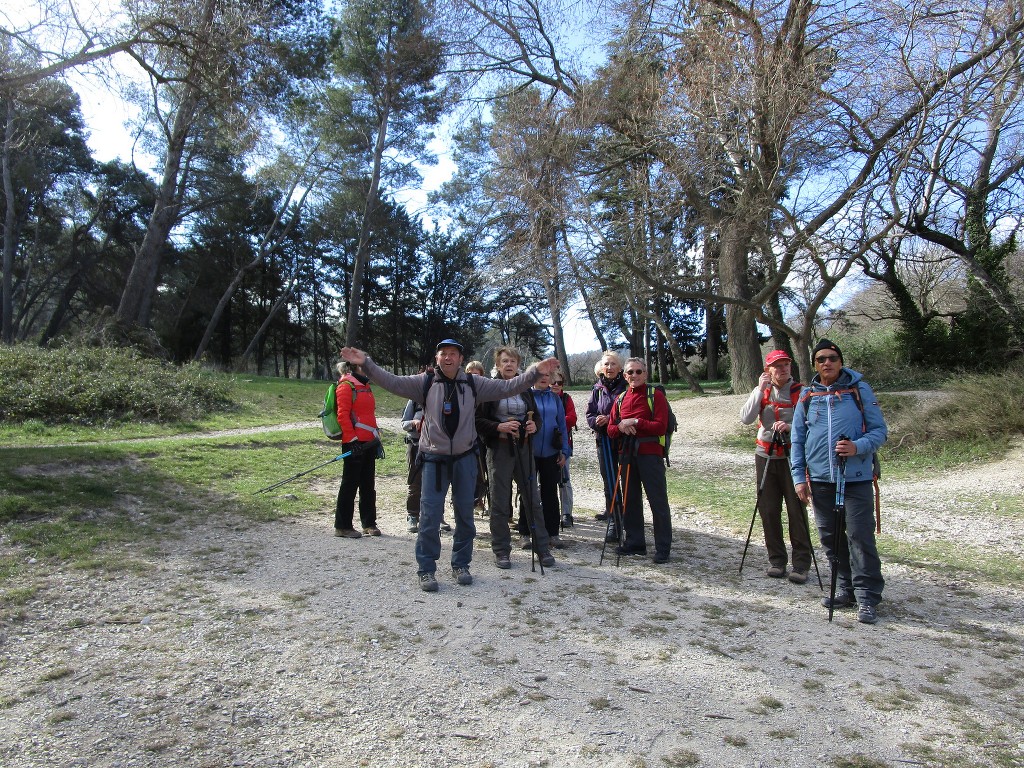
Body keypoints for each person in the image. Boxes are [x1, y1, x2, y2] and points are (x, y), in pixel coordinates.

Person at [340, 341, 559, 592]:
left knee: (465, 516)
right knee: (430, 517)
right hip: (434, 459)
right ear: (437, 357)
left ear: (461, 358)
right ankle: (426, 570)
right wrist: (366, 363)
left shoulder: (474, 383)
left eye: (453, 354)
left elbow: (509, 386)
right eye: (443, 354)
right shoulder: (425, 382)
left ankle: (461, 565)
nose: (448, 358)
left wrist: (534, 372)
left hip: (465, 459)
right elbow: (392, 381)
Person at [790, 339, 888, 624]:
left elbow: (880, 431)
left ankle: (868, 596)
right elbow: (798, 440)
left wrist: (858, 446)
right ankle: (845, 589)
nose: (827, 363)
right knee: (831, 539)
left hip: (855, 478)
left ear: (840, 361)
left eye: (832, 358)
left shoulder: (859, 390)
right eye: (821, 359)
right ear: (815, 364)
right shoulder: (808, 396)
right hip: (820, 479)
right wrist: (799, 478)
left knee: (860, 536)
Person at [476, 347, 556, 569]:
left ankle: (542, 548)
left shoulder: (525, 389)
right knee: (500, 502)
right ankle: (501, 550)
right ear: (498, 365)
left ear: (518, 364)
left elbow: (537, 418)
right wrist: (498, 426)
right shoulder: (489, 388)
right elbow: (478, 421)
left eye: (512, 361)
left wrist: (533, 426)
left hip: (523, 448)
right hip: (499, 449)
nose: (509, 364)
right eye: (504, 361)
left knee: (532, 499)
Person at [739, 350, 814, 583]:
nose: (782, 369)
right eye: (777, 366)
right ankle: (777, 561)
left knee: (796, 510)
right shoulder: (761, 391)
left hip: (793, 455)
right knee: (769, 509)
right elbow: (746, 418)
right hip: (766, 455)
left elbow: (813, 423)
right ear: (768, 370)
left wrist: (791, 427)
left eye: (785, 365)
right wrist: (759, 390)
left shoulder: (802, 392)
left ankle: (801, 564)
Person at [606, 358, 672, 564]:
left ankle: (663, 548)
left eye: (638, 372)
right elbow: (610, 429)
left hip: (650, 454)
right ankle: (635, 543)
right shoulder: (620, 399)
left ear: (645, 374)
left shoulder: (656, 396)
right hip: (626, 453)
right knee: (630, 500)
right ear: (624, 376)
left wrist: (635, 422)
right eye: (630, 372)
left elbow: (661, 426)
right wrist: (621, 427)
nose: (634, 375)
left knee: (657, 501)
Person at [332, 361, 382, 538]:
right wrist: (352, 439)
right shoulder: (346, 386)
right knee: (350, 483)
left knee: (368, 484)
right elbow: (342, 415)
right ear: (355, 367)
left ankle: (369, 523)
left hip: (369, 442)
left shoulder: (365, 386)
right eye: (365, 365)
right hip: (353, 443)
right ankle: (342, 526)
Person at [586, 351, 627, 535]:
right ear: (601, 368)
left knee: (627, 481)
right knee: (609, 481)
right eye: (606, 364)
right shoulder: (597, 389)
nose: (609, 368)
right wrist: (596, 421)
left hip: (625, 440)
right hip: (603, 440)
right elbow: (590, 414)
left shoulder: (627, 387)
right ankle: (614, 522)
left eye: (613, 364)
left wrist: (612, 421)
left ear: (620, 367)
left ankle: (630, 520)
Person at [530, 370, 569, 548]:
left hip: (551, 452)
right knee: (528, 492)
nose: (544, 378)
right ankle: (525, 532)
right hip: (529, 451)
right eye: (540, 375)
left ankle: (552, 533)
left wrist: (564, 450)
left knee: (550, 492)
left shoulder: (555, 398)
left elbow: (562, 424)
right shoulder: (527, 396)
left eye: (547, 376)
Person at [550, 373, 576, 527]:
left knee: (564, 480)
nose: (556, 385)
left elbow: (572, 418)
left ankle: (566, 514)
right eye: (553, 382)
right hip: (545, 446)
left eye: (559, 382)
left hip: (563, 445)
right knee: (543, 481)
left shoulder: (566, 399)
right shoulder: (542, 397)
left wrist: (554, 421)